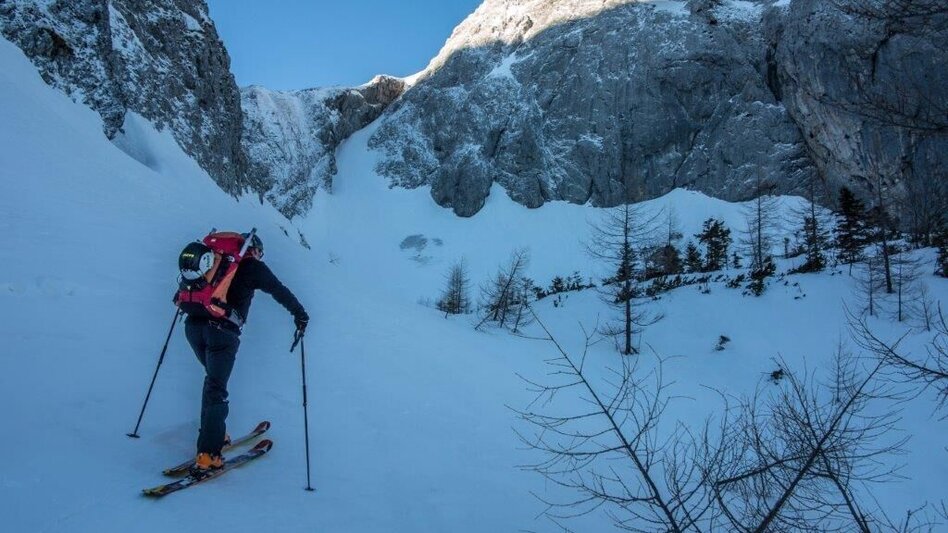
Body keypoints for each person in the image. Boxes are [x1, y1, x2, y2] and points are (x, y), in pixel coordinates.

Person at [184, 233, 308, 473]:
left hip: (192, 326)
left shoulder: (215, 262)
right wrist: (300, 315)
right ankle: (208, 455)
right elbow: (279, 290)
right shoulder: (253, 267)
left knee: (213, 382)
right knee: (216, 388)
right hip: (221, 334)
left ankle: (214, 436)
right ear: (255, 249)